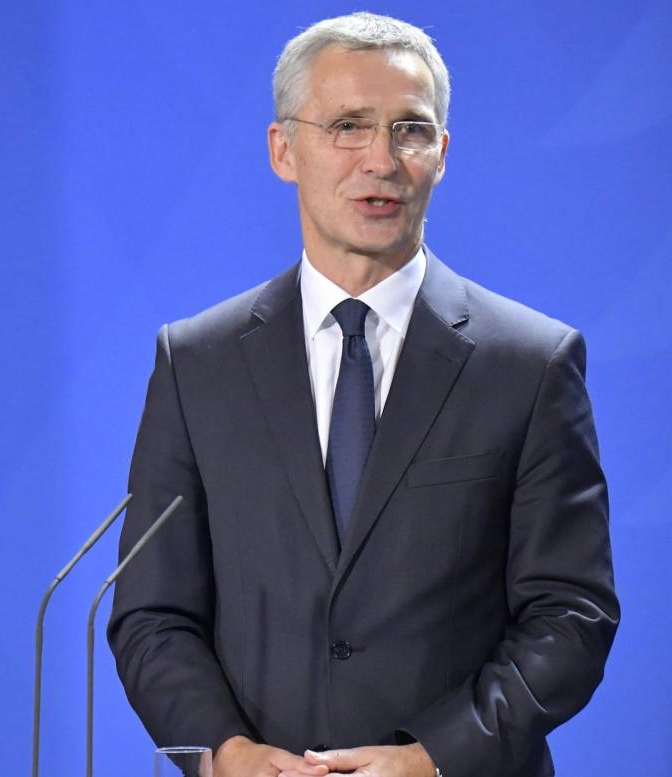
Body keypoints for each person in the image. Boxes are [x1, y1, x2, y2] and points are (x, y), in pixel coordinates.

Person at [106, 12, 618, 777]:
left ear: (441, 154)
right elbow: (152, 613)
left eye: (410, 130)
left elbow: (571, 613)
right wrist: (228, 752)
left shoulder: (532, 363)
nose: (381, 159)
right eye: (348, 126)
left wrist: (435, 758)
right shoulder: (196, 362)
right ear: (284, 149)